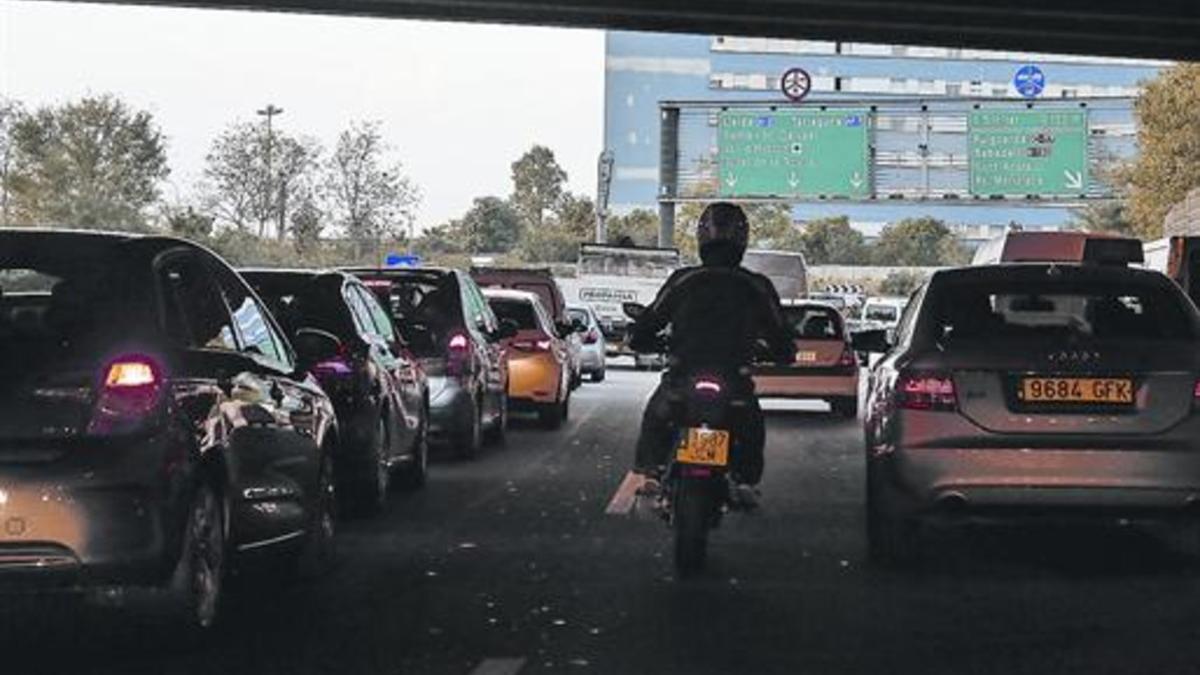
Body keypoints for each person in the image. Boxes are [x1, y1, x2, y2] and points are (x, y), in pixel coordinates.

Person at [628, 202, 796, 504]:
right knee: (751, 423)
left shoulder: (684, 280)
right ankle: (744, 481)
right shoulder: (756, 286)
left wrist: (641, 339)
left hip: (684, 375)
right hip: (734, 380)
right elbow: (780, 333)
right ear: (742, 240)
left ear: (702, 238)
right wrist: (782, 352)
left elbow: (651, 320)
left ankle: (652, 473)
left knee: (657, 415)